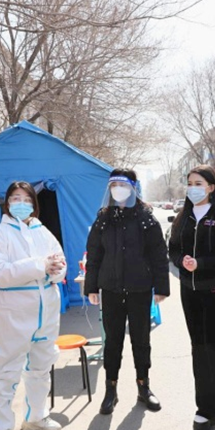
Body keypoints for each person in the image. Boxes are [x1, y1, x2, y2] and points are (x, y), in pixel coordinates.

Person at [0, 181, 67, 430]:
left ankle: (36, 417)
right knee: (6, 372)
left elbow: (61, 262)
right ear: (7, 203)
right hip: (14, 314)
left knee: (41, 367)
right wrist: (40, 265)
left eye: (27, 199)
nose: (22, 203)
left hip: (46, 311)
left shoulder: (44, 232)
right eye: (16, 198)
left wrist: (56, 271)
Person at [84, 169, 170, 415]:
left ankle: (144, 387)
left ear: (133, 187)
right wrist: (91, 287)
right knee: (113, 341)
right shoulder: (104, 218)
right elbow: (94, 255)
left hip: (139, 289)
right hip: (110, 289)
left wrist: (161, 287)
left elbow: (158, 256)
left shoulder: (145, 218)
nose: (117, 189)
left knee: (141, 340)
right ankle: (111, 390)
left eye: (122, 185)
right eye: (113, 185)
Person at [168, 165, 215, 430]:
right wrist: (182, 262)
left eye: (198, 182)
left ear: (211, 187)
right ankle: (205, 409)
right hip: (189, 291)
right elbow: (173, 248)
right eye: (189, 183)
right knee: (198, 349)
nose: (192, 187)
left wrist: (201, 263)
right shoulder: (183, 217)